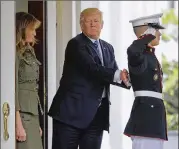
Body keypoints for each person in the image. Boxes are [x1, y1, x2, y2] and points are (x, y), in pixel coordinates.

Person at [48, 8, 130, 149]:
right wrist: (117, 74)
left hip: (96, 117)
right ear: (81, 24)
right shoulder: (76, 44)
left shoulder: (108, 48)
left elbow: (112, 73)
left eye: (96, 21)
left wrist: (128, 78)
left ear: (102, 24)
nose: (93, 24)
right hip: (70, 116)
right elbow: (91, 68)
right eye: (88, 21)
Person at [124, 13, 168, 149]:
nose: (159, 34)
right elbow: (132, 51)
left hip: (153, 117)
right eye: (156, 30)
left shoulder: (150, 55)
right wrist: (147, 36)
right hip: (145, 118)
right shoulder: (139, 55)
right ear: (147, 31)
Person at [15, 12, 43, 149]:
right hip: (22, 117)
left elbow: (32, 87)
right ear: (23, 29)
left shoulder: (29, 51)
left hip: (32, 115)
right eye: (32, 29)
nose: (35, 34)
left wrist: (36, 122)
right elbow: (13, 90)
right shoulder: (14, 53)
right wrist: (18, 124)